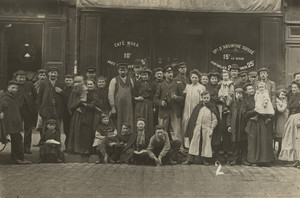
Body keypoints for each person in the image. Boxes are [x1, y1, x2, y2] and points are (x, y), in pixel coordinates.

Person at [183, 91, 219, 165]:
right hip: (197, 127)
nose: (206, 99)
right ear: (201, 98)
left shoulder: (212, 106)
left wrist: (211, 128)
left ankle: (204, 159)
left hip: (207, 128)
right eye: (204, 98)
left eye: (207, 98)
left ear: (209, 98)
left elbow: (215, 119)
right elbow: (193, 118)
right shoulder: (198, 107)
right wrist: (193, 127)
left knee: (205, 143)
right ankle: (190, 159)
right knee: (194, 142)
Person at [0, 81, 31, 164]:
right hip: (11, 123)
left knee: (17, 139)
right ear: (8, 87)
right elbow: (1, 107)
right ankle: (18, 158)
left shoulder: (11, 96)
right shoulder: (6, 97)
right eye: (12, 88)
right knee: (17, 139)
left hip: (14, 122)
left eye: (16, 88)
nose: (14, 90)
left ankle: (17, 158)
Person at [243, 83, 274, 166]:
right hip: (252, 122)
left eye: (252, 89)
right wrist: (254, 111)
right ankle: (253, 160)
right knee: (253, 142)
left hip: (262, 121)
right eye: (249, 89)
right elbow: (244, 114)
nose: (251, 90)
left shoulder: (259, 95)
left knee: (264, 140)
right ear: (246, 92)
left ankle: (264, 160)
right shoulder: (245, 101)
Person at [153, 65, 184, 142]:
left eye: (171, 72)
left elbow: (183, 97)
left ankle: (179, 147)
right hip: (164, 110)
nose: (170, 74)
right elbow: (155, 98)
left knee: (177, 130)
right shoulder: (161, 85)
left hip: (175, 110)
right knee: (162, 130)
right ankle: (162, 145)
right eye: (168, 73)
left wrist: (176, 97)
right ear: (164, 74)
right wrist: (161, 102)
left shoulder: (178, 83)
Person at [37, 66, 65, 140]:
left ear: (57, 74)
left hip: (57, 108)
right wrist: (40, 108)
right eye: (51, 73)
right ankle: (45, 145)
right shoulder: (43, 83)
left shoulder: (61, 84)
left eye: (55, 73)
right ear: (48, 74)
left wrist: (61, 92)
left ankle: (57, 144)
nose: (53, 74)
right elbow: (40, 96)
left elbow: (64, 97)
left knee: (57, 127)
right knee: (45, 126)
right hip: (46, 108)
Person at [14, 70, 37, 154]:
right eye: (20, 77)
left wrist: (34, 108)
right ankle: (18, 148)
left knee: (28, 130)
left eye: (23, 77)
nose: (22, 79)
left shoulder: (29, 85)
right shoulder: (13, 85)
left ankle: (27, 147)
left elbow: (35, 97)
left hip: (28, 110)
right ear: (16, 78)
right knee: (17, 130)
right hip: (17, 111)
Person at [181, 69, 206, 147]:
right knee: (186, 123)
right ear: (190, 78)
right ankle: (186, 144)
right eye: (193, 77)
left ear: (198, 78)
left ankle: (195, 144)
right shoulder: (188, 86)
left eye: (196, 78)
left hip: (196, 109)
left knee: (195, 124)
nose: (194, 79)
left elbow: (203, 99)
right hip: (187, 109)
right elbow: (184, 95)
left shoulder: (201, 87)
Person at [279, 81, 300, 167]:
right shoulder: (291, 96)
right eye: (293, 88)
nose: (294, 89)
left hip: (298, 117)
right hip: (291, 118)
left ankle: (299, 160)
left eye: (296, 88)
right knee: (291, 139)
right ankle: (294, 159)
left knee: (298, 140)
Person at [108, 63, 134, 133]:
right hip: (118, 106)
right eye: (121, 70)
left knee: (128, 121)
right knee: (119, 122)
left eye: (124, 70)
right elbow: (110, 95)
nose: (122, 72)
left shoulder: (130, 80)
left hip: (128, 106)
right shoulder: (114, 80)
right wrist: (113, 107)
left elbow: (132, 93)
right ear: (118, 71)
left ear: (127, 70)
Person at [227, 88, 248, 165]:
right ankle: (235, 159)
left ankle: (243, 159)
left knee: (243, 143)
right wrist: (229, 125)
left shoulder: (245, 104)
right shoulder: (233, 104)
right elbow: (230, 115)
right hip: (234, 126)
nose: (238, 95)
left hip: (242, 126)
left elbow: (248, 115)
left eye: (240, 94)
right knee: (235, 143)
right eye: (237, 94)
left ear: (242, 95)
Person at [134, 68, 154, 138]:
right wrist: (136, 98)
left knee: (148, 121)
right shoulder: (137, 84)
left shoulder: (152, 84)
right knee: (140, 119)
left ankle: (148, 138)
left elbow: (154, 95)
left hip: (148, 105)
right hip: (139, 105)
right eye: (142, 75)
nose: (144, 77)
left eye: (145, 75)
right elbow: (133, 94)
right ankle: (138, 138)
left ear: (149, 76)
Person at [274, 88, 289, 157]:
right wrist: (284, 104)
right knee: (280, 137)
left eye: (284, 95)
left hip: (285, 120)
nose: (283, 96)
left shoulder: (284, 101)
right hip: (280, 121)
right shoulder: (278, 102)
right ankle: (279, 153)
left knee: (285, 137)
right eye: (282, 95)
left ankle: (283, 153)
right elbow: (281, 110)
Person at [34, 69, 47, 145]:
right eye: (40, 75)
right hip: (37, 106)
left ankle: (44, 140)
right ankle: (41, 139)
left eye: (44, 75)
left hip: (45, 106)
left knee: (45, 123)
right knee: (39, 124)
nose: (42, 77)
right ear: (38, 76)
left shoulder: (47, 84)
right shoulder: (35, 85)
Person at [62, 74, 74, 148]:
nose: (68, 82)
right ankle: (67, 144)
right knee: (66, 129)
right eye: (67, 80)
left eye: (70, 80)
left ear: (73, 81)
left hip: (73, 112)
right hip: (65, 112)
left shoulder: (75, 89)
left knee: (73, 129)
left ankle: (72, 145)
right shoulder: (63, 89)